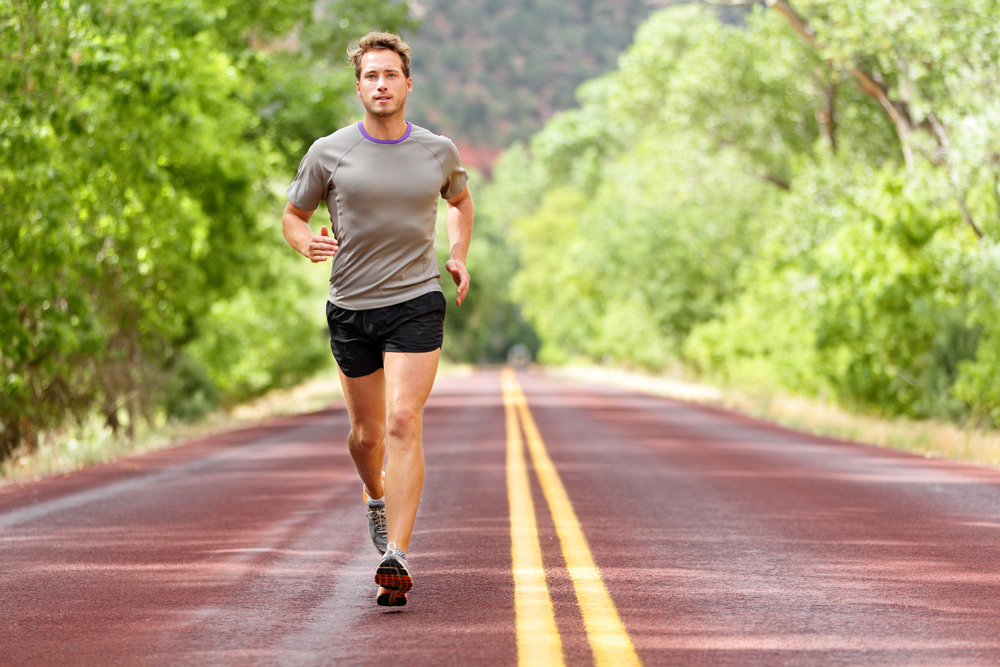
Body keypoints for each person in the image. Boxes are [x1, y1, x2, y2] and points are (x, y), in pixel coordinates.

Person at [281, 31, 473, 607]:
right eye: (371, 76)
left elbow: (459, 201)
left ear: (407, 84)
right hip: (350, 309)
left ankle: (398, 553)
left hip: (415, 301)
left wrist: (457, 253)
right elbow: (294, 215)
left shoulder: (437, 150)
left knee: (401, 422)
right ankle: (375, 498)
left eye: (390, 75)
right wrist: (304, 244)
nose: (381, 84)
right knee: (366, 438)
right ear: (359, 85)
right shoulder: (328, 151)